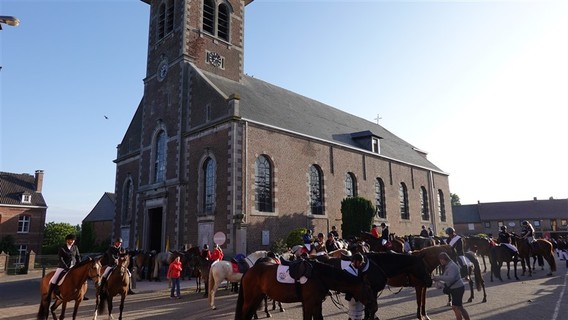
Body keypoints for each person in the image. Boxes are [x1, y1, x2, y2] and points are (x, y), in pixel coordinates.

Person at [433, 252, 470, 320]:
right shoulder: (449, 265)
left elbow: (450, 278)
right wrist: (438, 282)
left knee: (455, 307)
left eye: (441, 260)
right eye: (440, 260)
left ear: (445, 259)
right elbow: (448, 280)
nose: (440, 261)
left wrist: (438, 278)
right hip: (456, 288)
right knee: (460, 307)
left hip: (457, 288)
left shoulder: (451, 266)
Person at [46, 234, 81, 300]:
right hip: (63, 267)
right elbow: (61, 258)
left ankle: (81, 294)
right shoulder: (62, 248)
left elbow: (78, 256)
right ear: (67, 240)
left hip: (73, 266)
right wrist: (65, 266)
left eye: (73, 240)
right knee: (55, 278)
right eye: (71, 240)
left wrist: (79, 265)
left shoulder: (75, 247)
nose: (73, 241)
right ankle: (50, 293)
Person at [343, 253, 365, 320]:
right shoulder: (346, 270)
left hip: (360, 296)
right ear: (356, 261)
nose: (361, 264)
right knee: (354, 314)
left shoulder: (359, 270)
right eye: (360, 262)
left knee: (358, 314)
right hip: (352, 296)